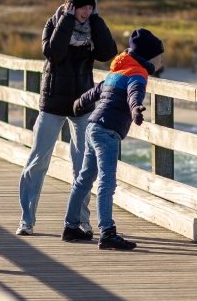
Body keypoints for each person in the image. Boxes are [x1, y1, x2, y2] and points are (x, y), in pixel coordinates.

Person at [16, 0, 117, 238]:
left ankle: (81, 220)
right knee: (37, 161)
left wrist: (96, 20)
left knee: (82, 165)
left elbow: (108, 52)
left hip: (82, 102)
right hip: (52, 102)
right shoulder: (54, 23)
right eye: (82, 6)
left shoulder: (93, 25)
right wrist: (68, 20)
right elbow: (53, 53)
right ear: (70, 4)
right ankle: (26, 220)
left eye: (90, 7)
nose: (86, 11)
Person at [63, 28, 165, 251]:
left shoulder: (118, 70)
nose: (162, 60)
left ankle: (71, 226)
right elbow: (134, 94)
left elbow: (98, 90)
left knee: (84, 179)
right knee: (106, 182)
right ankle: (107, 232)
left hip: (93, 126)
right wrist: (136, 109)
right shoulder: (138, 74)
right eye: (160, 56)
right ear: (150, 57)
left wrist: (80, 102)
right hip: (107, 132)